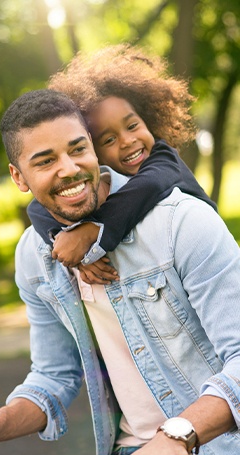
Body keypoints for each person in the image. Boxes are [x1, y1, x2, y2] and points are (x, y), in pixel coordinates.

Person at [0, 89, 240, 455]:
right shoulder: (35, 256)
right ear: (17, 177)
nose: (69, 169)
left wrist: (176, 435)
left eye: (77, 149)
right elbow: (53, 376)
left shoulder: (181, 223)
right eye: (45, 161)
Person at [26, 44, 217, 283]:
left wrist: (91, 233)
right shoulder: (104, 182)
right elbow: (36, 208)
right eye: (108, 139)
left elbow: (148, 185)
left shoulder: (163, 158)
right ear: (92, 153)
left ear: (147, 120)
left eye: (133, 125)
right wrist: (66, 246)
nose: (128, 141)